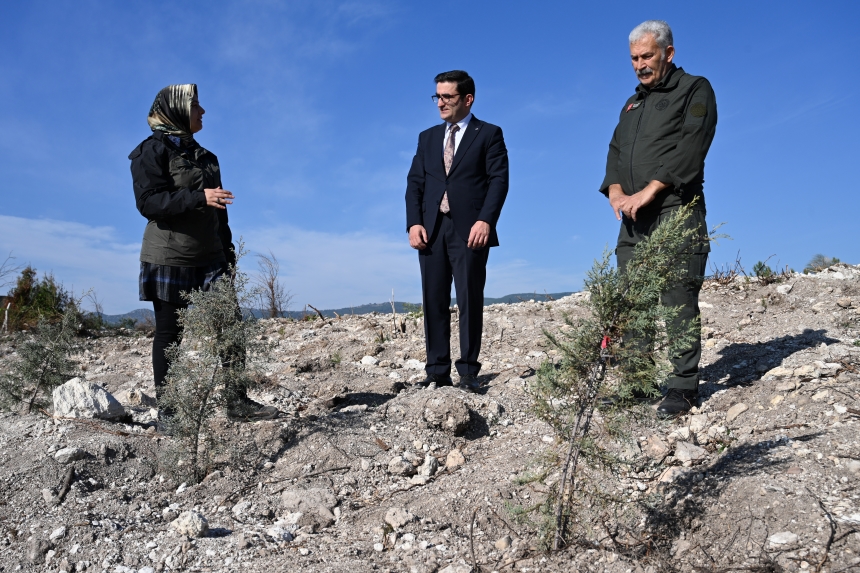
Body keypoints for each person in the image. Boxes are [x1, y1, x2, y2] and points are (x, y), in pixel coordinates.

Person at [130, 84, 277, 420]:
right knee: (170, 335)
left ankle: (237, 402)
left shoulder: (208, 158)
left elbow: (219, 209)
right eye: (196, 105)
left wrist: (228, 252)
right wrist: (198, 198)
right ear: (178, 110)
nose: (203, 111)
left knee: (231, 326)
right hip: (169, 256)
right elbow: (149, 203)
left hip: (211, 256)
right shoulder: (150, 152)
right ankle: (169, 415)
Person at [599, 20, 717, 415]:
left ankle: (683, 387)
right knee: (633, 303)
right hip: (633, 220)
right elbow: (616, 150)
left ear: (668, 52)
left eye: (647, 56)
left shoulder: (694, 89)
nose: (639, 65)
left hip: (674, 212)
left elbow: (692, 146)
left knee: (677, 299)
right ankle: (636, 383)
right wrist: (615, 190)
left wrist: (651, 189)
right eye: (634, 58)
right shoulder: (632, 103)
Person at [405, 70, 509, 392]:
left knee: (468, 299)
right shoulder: (427, 138)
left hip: (471, 230)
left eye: (447, 97)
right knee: (433, 300)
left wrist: (486, 220)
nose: (440, 103)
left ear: (468, 99)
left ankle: (468, 372)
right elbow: (415, 184)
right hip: (431, 230)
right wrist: (414, 222)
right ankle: (436, 372)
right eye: (437, 96)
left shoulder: (489, 134)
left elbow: (499, 181)